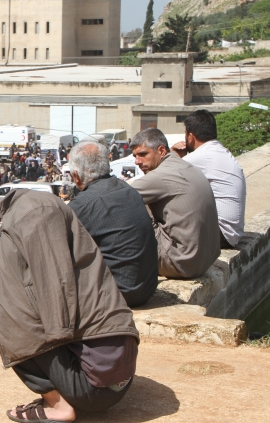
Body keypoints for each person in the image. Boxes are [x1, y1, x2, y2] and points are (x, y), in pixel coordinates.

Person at [0, 189, 139, 422]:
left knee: (4, 318)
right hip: (121, 383)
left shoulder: (33, 222)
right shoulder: (82, 260)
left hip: (93, 391)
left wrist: (3, 263)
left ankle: (59, 405)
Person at [68, 141, 158, 307]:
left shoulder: (83, 204)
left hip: (118, 294)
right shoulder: (127, 189)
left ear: (76, 175)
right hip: (146, 288)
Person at [130, 128, 221, 279]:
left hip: (181, 263)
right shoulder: (185, 165)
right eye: (135, 156)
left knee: (130, 203)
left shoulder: (159, 176)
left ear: (161, 150)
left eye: (143, 154)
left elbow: (117, 199)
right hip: (206, 260)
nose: (137, 161)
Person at [170, 109, 246, 248]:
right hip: (232, 234)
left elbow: (162, 176)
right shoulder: (218, 151)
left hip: (221, 235)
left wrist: (174, 153)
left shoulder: (203, 155)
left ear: (190, 137)